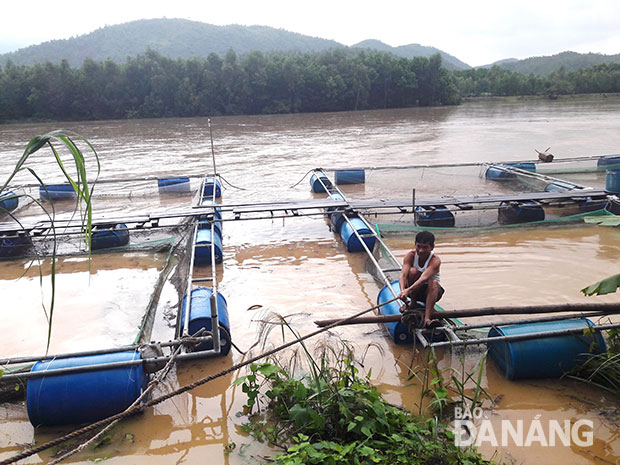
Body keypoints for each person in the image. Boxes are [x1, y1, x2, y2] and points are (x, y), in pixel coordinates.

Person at [398, 230, 444, 328]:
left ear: (432, 247)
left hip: (431, 292)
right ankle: (413, 303)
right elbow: (403, 275)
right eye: (418, 246)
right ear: (415, 245)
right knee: (413, 271)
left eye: (425, 247)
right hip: (413, 292)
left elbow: (423, 279)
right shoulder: (410, 256)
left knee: (434, 282)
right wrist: (402, 291)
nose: (421, 251)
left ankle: (427, 319)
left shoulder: (435, 261)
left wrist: (407, 290)